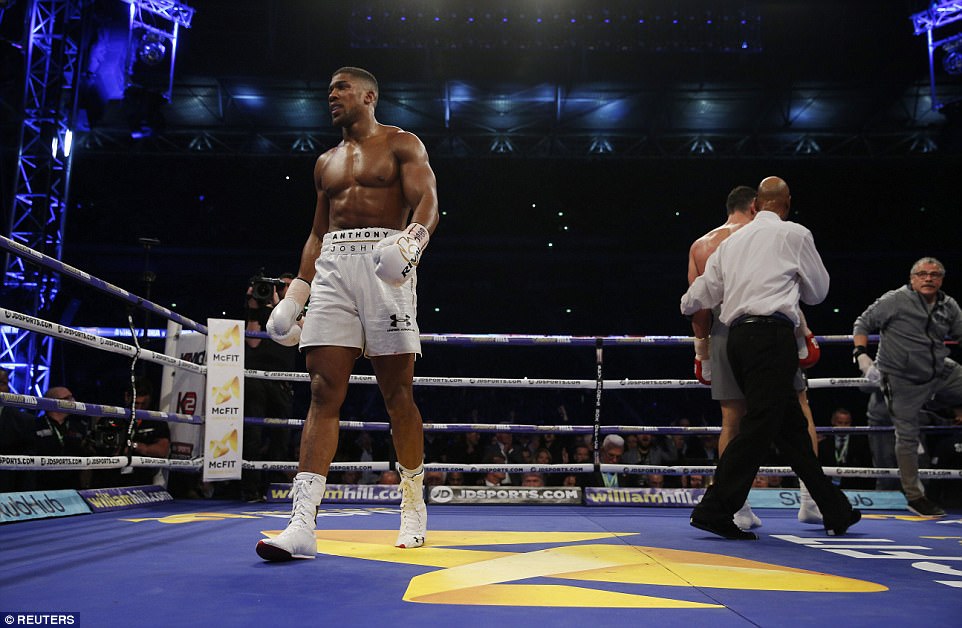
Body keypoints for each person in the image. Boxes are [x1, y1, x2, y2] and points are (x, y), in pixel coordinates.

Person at [256, 67, 439, 562]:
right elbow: (317, 233)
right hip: (334, 265)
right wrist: (298, 292)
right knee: (321, 391)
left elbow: (428, 202)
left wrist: (410, 245)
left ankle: (413, 506)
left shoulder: (402, 144)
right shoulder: (325, 163)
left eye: (340, 88)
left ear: (368, 95)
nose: (331, 95)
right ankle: (301, 524)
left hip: (386, 262)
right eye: (329, 88)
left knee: (397, 393)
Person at [681, 176, 860, 540]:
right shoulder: (794, 234)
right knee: (760, 425)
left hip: (735, 339)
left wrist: (696, 330)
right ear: (787, 201)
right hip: (770, 337)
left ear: (757, 204)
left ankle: (834, 509)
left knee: (790, 429)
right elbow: (818, 293)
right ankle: (714, 509)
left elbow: (697, 296)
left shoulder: (728, 244)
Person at [852, 257, 962, 516]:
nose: (928, 278)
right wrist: (861, 355)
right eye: (922, 274)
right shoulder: (895, 300)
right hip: (902, 379)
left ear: (941, 279)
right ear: (912, 279)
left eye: (934, 274)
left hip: (939, 370)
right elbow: (862, 323)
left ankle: (942, 407)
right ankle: (914, 496)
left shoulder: (948, 306)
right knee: (907, 436)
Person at [242, 273, 298, 501]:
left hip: (282, 382)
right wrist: (255, 307)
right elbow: (253, 341)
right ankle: (250, 491)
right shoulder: (259, 310)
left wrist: (279, 307)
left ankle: (271, 488)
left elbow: (295, 334)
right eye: (279, 286)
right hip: (256, 379)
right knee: (253, 435)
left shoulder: (296, 313)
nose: (282, 290)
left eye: (286, 287)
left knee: (280, 438)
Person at [816, 408, 873, 489]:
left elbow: (866, 466)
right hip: (827, 486)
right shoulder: (823, 442)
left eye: (846, 423)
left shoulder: (860, 443)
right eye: (840, 423)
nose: (843, 426)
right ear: (833, 422)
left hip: (854, 486)